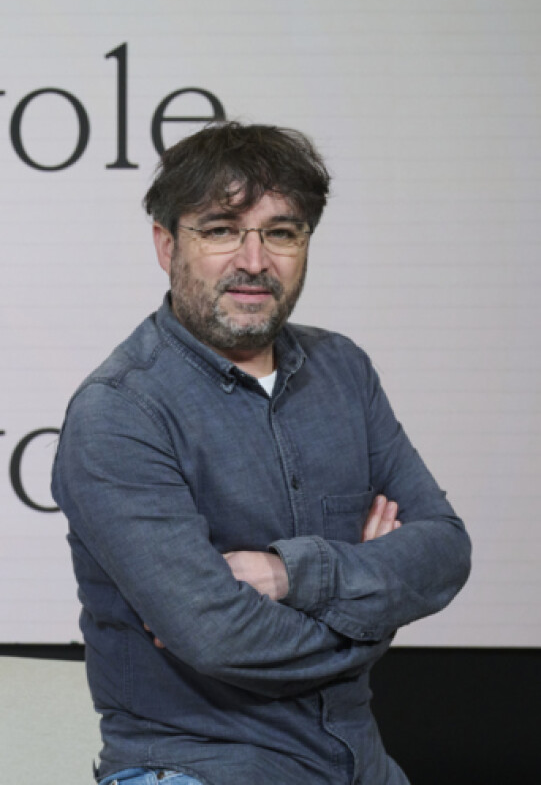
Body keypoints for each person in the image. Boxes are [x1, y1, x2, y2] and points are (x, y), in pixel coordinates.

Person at [51, 121, 471, 785]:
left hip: (359, 763)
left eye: (281, 232)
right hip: (197, 765)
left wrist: (291, 576)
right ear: (166, 244)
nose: (253, 260)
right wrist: (377, 613)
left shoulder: (343, 369)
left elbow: (445, 550)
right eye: (221, 230)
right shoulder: (120, 411)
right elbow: (220, 638)